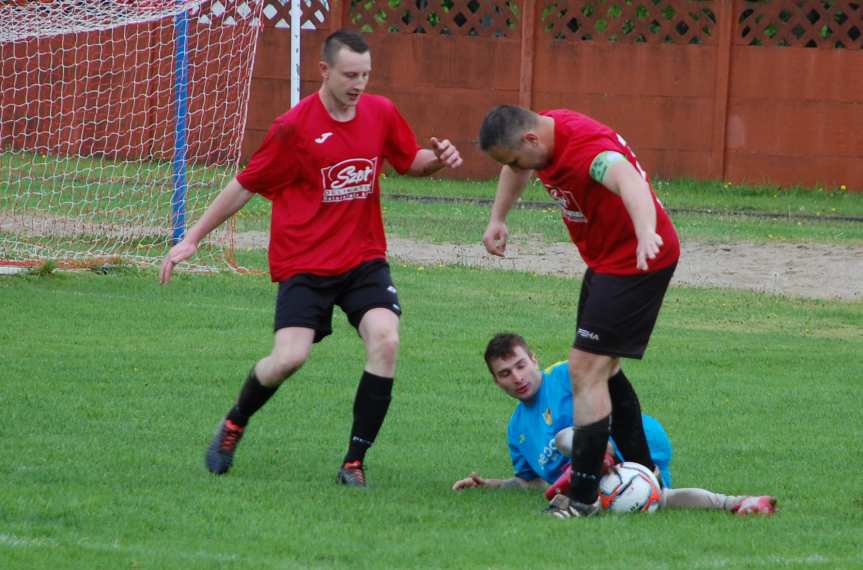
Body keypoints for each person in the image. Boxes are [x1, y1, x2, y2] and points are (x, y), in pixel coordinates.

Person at [159, 29, 463, 486]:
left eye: (365, 74)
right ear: (324, 71)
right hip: (305, 262)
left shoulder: (379, 113)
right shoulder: (294, 127)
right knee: (289, 358)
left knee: (387, 340)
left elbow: (409, 161)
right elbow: (246, 183)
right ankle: (235, 422)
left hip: (363, 258)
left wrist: (438, 159)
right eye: (349, 75)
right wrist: (194, 237)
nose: (358, 84)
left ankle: (354, 463)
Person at [479, 105, 680, 517]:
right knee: (605, 368)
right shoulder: (541, 135)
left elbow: (627, 179)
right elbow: (515, 169)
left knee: (584, 368)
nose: (515, 168)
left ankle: (584, 499)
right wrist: (498, 217)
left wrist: (645, 233)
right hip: (607, 262)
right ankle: (646, 473)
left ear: (531, 141)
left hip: (637, 262)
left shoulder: (587, 151)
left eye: (515, 158)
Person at [451, 333, 777, 517]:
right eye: (505, 373)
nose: (518, 377)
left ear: (534, 359)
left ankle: (597, 456)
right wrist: (491, 485)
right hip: (610, 480)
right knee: (659, 500)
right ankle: (736, 502)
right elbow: (531, 482)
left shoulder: (567, 372)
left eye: (521, 365)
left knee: (568, 438)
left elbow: (621, 400)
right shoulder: (516, 431)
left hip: (635, 442)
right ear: (496, 382)